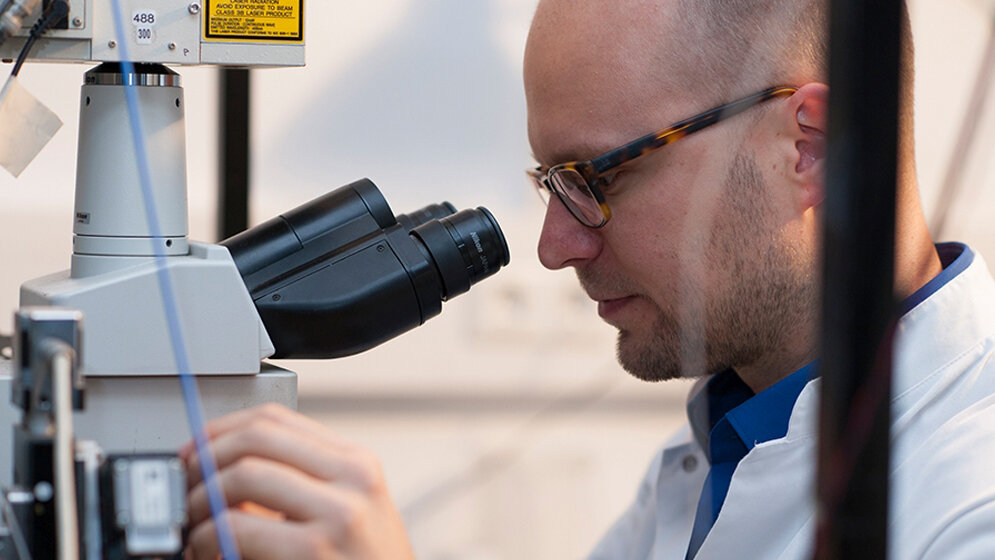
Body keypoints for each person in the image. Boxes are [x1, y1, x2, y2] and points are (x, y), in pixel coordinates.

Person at [182, 0, 995, 558]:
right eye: (552, 183)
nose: (555, 247)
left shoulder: (970, 504)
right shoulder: (728, 437)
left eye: (595, 179)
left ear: (808, 147)